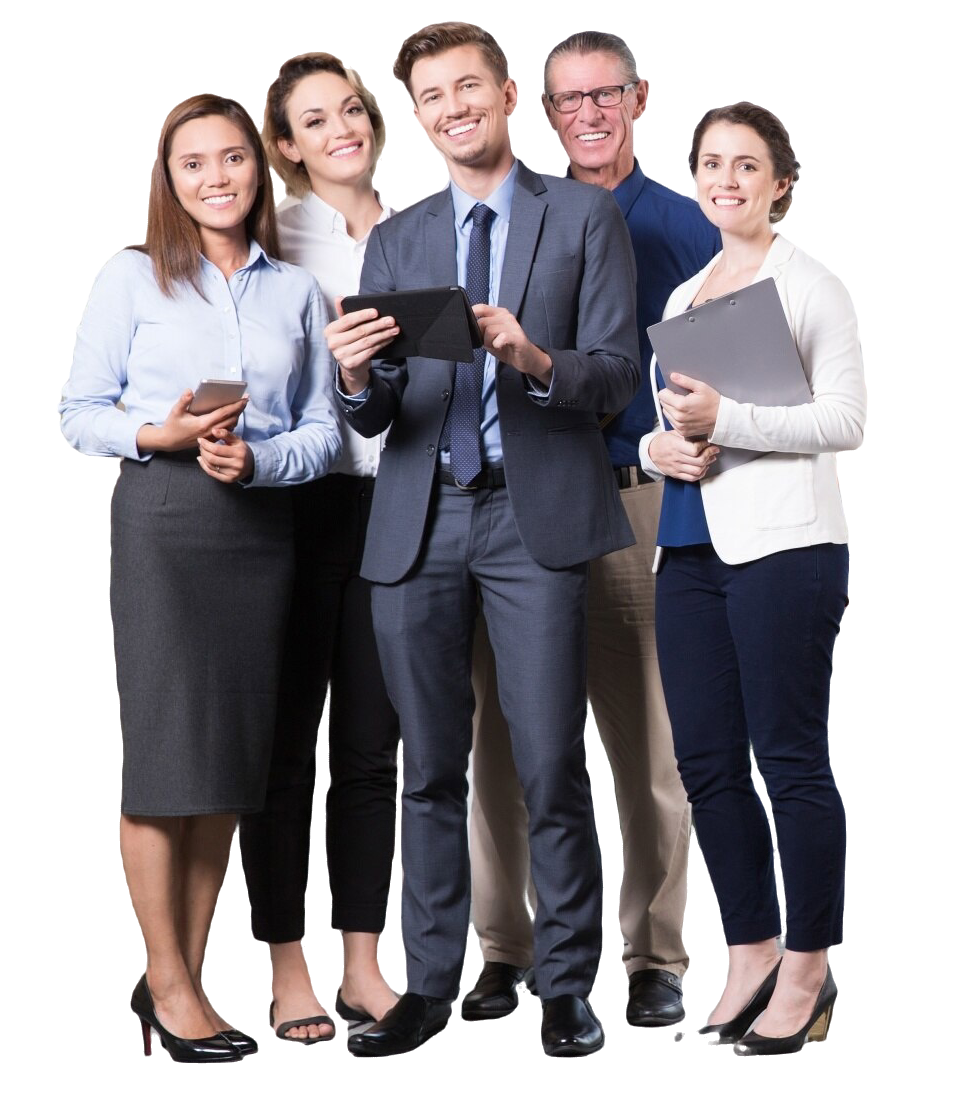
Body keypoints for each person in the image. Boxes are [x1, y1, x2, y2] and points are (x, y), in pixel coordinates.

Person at [327, 22, 641, 1061]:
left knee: (552, 759)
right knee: (426, 765)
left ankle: (562, 983)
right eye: (432, 95)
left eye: (470, 85)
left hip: (531, 512)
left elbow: (612, 379)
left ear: (507, 96)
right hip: (419, 520)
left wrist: (531, 354)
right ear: (416, 121)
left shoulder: (584, 218)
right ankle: (429, 983)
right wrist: (351, 377)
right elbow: (376, 420)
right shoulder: (397, 238)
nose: (454, 106)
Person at [59, 93, 340, 1064]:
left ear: (259, 170)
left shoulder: (293, 293)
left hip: (257, 531)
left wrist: (261, 461)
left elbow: (321, 430)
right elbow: (74, 416)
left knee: (228, 767)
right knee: (156, 766)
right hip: (160, 526)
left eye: (233, 159)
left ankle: (172, 972)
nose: (218, 177)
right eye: (195, 164)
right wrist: (159, 433)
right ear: (165, 179)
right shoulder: (123, 278)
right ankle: (170, 988)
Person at [464, 28, 721, 1030]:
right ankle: (502, 945)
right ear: (541, 109)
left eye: (602, 95)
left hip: (628, 495)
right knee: (501, 733)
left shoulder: (681, 224)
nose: (584, 115)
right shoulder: (519, 208)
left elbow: (722, 379)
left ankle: (654, 949)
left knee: (644, 738)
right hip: (518, 504)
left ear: (640, 99)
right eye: (565, 100)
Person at [638, 101, 865, 1057]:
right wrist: (661, 448)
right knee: (708, 767)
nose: (725, 179)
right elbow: (671, 425)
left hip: (786, 549)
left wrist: (727, 419)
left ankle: (810, 963)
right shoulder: (690, 297)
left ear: (782, 182)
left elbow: (850, 423)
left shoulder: (818, 278)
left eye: (746, 165)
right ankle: (753, 944)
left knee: (792, 759)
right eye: (711, 164)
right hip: (689, 549)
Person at [237, 53, 401, 1048]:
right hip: (297, 504)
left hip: (401, 503)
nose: (343, 126)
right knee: (285, 744)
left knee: (371, 747)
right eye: (315, 119)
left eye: (351, 107)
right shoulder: (275, 237)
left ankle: (366, 963)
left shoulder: (423, 222)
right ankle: (289, 963)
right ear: (287, 146)